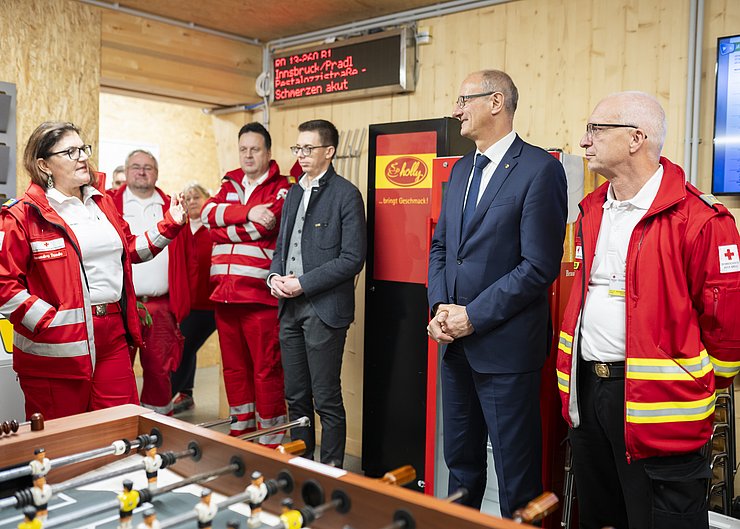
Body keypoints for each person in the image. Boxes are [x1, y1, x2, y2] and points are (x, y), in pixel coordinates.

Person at [556, 91, 740, 529]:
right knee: (602, 516)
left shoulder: (702, 219)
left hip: (661, 407)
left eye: (596, 129)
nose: (585, 141)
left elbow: (725, 327)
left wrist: (694, 385)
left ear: (636, 137)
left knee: (661, 520)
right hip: (589, 396)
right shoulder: (592, 210)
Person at [427, 70, 568, 516]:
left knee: (516, 476)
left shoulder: (540, 169)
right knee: (461, 466)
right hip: (455, 347)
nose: (456, 110)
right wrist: (439, 310)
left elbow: (538, 267)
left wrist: (473, 315)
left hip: (505, 351)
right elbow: (442, 247)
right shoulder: (462, 168)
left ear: (495, 102)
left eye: (464, 99)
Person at [0, 122, 186, 421]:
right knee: (63, 441)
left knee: (120, 427)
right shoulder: (23, 214)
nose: (82, 157)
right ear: (43, 164)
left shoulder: (101, 202)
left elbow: (127, 251)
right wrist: (46, 322)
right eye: (70, 151)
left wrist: (169, 225)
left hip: (111, 334)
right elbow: (3, 283)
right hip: (55, 347)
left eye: (83, 149)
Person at [269, 119, 367, 467]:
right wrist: (275, 277)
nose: (301, 155)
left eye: (308, 149)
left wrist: (303, 283)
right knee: (295, 396)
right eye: (298, 148)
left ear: (329, 151)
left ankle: (331, 472)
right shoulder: (294, 191)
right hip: (289, 308)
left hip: (324, 310)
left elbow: (353, 258)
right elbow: (281, 245)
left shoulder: (346, 194)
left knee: (326, 399)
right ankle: (301, 466)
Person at [201, 123, 291, 441]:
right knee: (234, 370)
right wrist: (249, 212)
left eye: (255, 149)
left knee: (266, 370)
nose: (248, 155)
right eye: (243, 149)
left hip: (259, 299)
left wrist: (229, 219)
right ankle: (242, 433)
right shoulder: (229, 183)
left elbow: (266, 227)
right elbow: (207, 216)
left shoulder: (282, 187)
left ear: (268, 152)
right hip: (224, 296)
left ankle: (270, 440)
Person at [110, 149, 192, 415]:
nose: (142, 172)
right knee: (118, 371)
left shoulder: (172, 206)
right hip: (123, 306)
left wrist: (180, 304)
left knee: (159, 371)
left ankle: (158, 428)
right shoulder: (110, 204)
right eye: (136, 166)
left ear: (156, 173)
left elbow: (189, 257)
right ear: (126, 170)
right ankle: (123, 427)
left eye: (148, 167)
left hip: (161, 307)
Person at [170, 182, 217, 414]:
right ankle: (186, 393)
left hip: (212, 303)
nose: (191, 202)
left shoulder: (216, 228)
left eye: (196, 197)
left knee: (185, 346)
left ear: (208, 198)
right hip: (188, 302)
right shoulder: (181, 229)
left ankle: (164, 398)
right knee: (188, 346)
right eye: (187, 198)